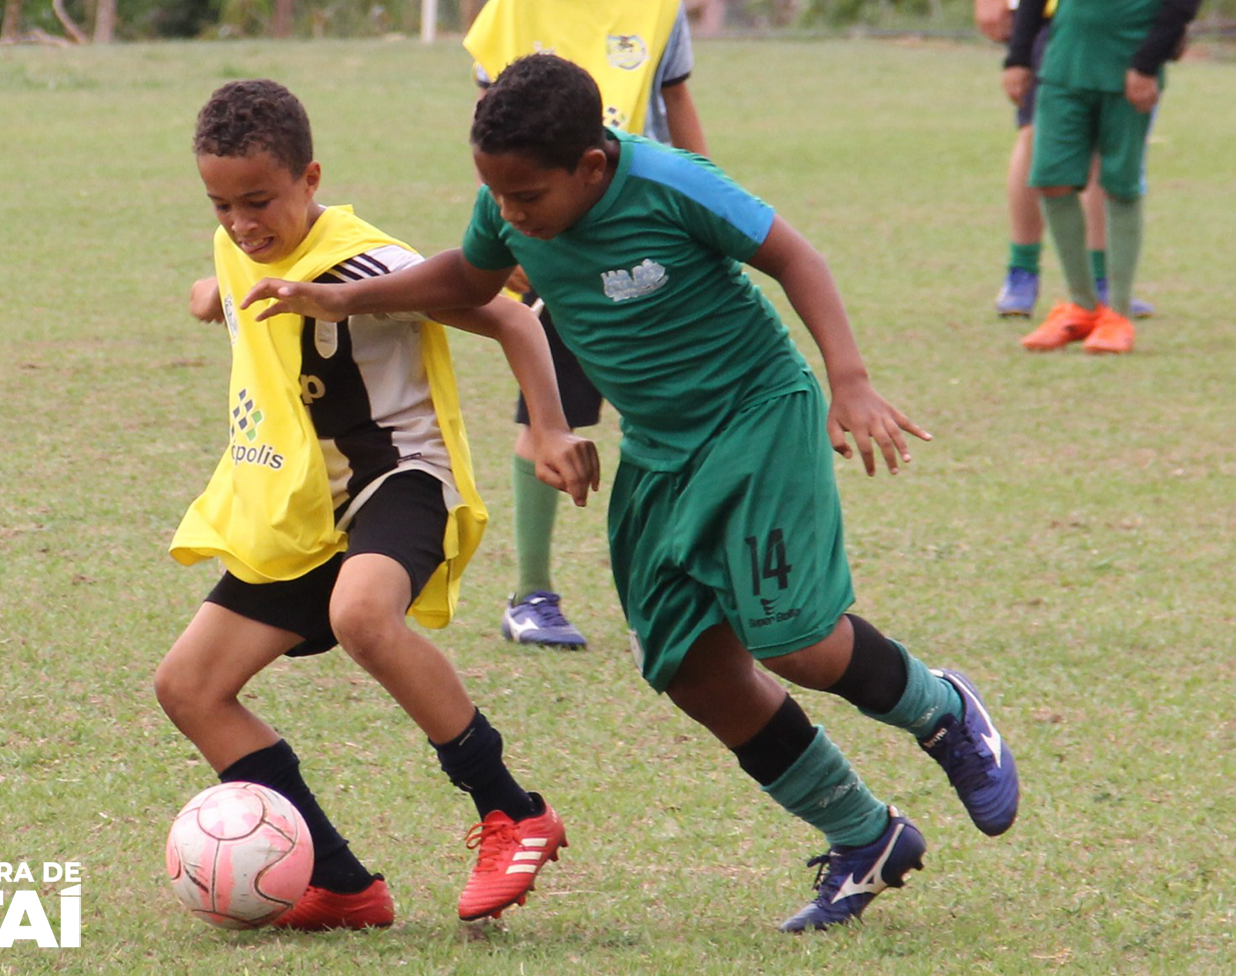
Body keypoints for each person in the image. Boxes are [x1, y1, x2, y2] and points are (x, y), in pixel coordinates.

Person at [243, 54, 1021, 932]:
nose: (511, 215)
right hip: (657, 447)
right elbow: (468, 280)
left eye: (527, 196)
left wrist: (849, 377)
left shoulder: (669, 182)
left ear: (592, 166)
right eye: (494, 193)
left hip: (755, 413)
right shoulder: (511, 201)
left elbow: (795, 256)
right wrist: (333, 299)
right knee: (690, 667)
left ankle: (943, 711)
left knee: (793, 638)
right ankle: (864, 835)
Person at [157, 79, 599, 929]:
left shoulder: (369, 265)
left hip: (401, 484)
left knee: (363, 614)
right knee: (189, 687)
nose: (243, 224)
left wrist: (546, 430)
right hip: (302, 512)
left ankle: (513, 810)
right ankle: (340, 884)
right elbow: (216, 280)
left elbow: (513, 321)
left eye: (260, 201)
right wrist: (209, 295)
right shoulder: (239, 245)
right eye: (221, 205)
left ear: (310, 177)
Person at [463, 0, 708, 650]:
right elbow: (488, 121)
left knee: (671, 416)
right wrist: (507, 219)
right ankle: (532, 595)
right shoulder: (513, 8)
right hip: (561, 241)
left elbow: (676, 103)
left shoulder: (661, 9)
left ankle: (669, 593)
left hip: (650, 237)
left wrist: (705, 194)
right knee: (545, 414)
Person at [1005, 0, 1201, 353]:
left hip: (1127, 62)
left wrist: (1146, 64)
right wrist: (1018, 57)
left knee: (1119, 182)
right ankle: (1081, 305)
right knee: (1050, 177)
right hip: (1063, 61)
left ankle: (1118, 314)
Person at [976, 0, 1154, 319]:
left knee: (1105, 146)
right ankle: (1022, 272)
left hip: (1124, 21)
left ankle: (1100, 282)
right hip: (1051, 18)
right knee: (1037, 136)